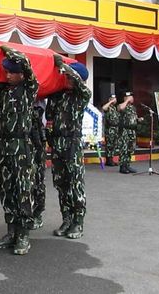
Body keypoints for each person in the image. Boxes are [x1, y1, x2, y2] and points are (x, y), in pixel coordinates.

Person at [0, 46, 38, 255]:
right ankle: (11, 232)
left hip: (21, 148)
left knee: (22, 192)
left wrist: (10, 51)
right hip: (4, 147)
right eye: (6, 72)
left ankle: (23, 235)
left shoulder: (28, 89)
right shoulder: (3, 93)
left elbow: (28, 66)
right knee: (7, 191)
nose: (8, 76)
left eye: (12, 72)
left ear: (21, 74)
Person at [46, 57, 91, 240]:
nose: (68, 79)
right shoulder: (60, 95)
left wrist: (63, 66)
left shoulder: (82, 95)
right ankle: (67, 219)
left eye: (71, 77)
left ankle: (78, 222)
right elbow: (49, 115)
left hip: (72, 144)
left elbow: (78, 81)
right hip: (57, 144)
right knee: (61, 184)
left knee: (75, 184)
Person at [30, 100, 47, 230]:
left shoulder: (39, 105)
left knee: (38, 180)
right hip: (24, 143)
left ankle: (37, 213)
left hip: (37, 143)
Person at [118, 92, 141, 174]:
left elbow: (134, 117)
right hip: (125, 130)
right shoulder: (122, 105)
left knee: (130, 148)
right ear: (125, 98)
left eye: (131, 97)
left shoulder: (133, 108)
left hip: (132, 130)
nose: (131, 98)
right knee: (124, 148)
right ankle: (122, 166)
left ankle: (127, 165)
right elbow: (120, 108)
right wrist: (127, 101)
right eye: (129, 97)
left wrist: (138, 120)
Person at [102, 94, 120, 166]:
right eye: (112, 98)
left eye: (115, 98)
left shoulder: (115, 108)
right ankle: (108, 160)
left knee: (114, 145)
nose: (114, 100)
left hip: (115, 128)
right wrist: (110, 102)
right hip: (110, 128)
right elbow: (103, 108)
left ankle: (111, 159)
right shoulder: (108, 107)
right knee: (109, 144)